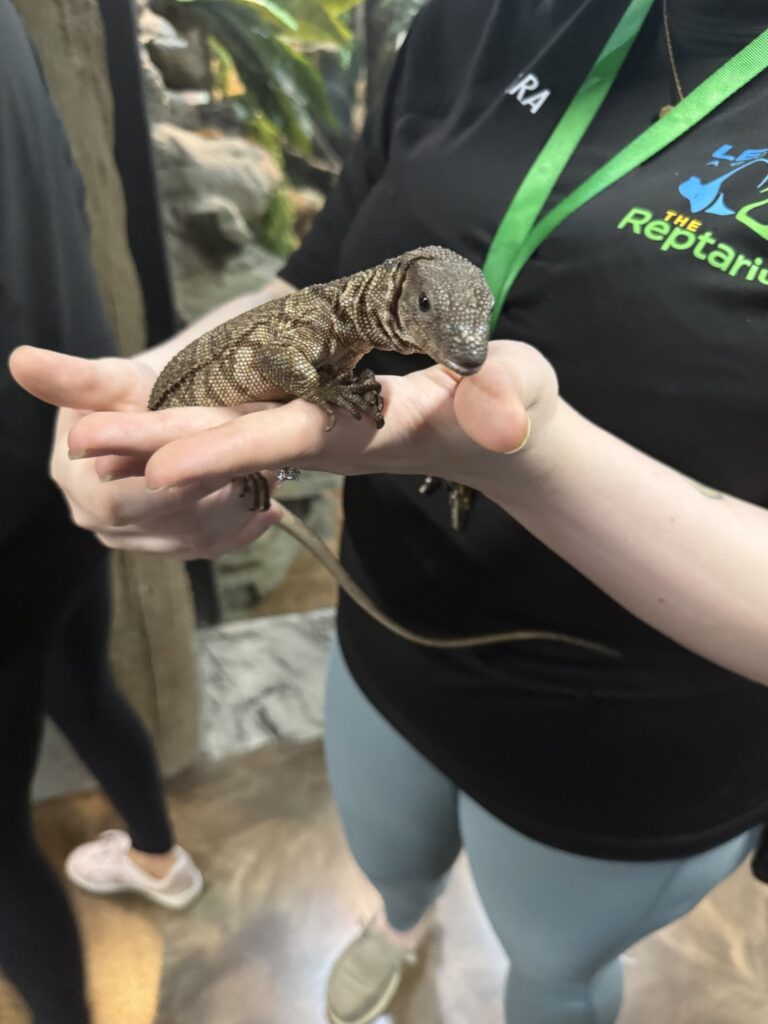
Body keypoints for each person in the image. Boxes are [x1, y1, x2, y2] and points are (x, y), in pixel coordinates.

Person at [10, 1, 768, 1022]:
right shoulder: (479, 16)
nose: (453, 349)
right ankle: (399, 923)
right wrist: (151, 401)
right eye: (425, 325)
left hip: (629, 741)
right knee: (390, 863)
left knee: (554, 969)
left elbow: (355, 352)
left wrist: (533, 460)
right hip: (380, 632)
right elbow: (298, 298)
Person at [0, 3, 202, 1021]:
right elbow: (68, 195)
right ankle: (161, 856)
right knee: (80, 676)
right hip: (60, 453)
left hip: (28, 486)